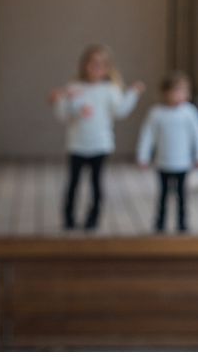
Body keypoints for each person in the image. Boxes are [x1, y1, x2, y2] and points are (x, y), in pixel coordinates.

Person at [49, 44, 145, 231]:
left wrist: (133, 93)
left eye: (101, 64)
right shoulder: (74, 88)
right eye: (92, 64)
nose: (96, 68)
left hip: (100, 144)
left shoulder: (110, 89)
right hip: (77, 144)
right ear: (84, 65)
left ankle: (93, 218)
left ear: (108, 68)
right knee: (73, 183)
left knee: (96, 183)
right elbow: (63, 114)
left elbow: (120, 110)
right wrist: (59, 101)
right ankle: (69, 218)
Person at [136, 71, 198, 233]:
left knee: (181, 195)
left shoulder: (189, 112)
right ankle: (160, 222)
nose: (177, 95)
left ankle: (182, 223)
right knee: (162, 195)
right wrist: (143, 155)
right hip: (163, 161)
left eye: (181, 91)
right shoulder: (156, 113)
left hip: (182, 162)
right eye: (174, 91)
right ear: (165, 93)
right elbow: (147, 136)